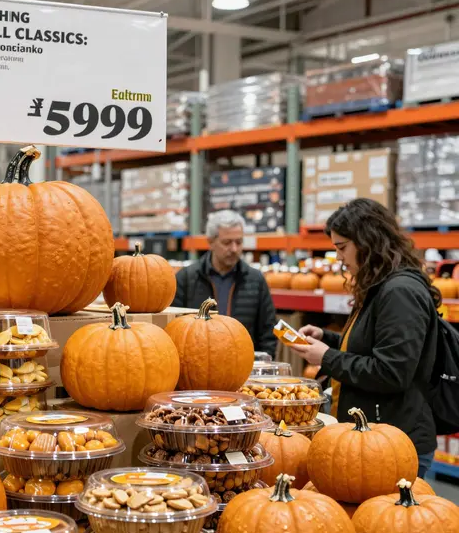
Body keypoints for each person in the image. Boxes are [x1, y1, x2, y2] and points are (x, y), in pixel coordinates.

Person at [292, 198, 440, 477]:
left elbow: (392, 371)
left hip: (395, 443)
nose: (338, 258)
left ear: (367, 243)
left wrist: (326, 357)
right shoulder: (380, 286)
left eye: (342, 248)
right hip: (374, 437)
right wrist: (329, 339)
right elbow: (372, 348)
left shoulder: (400, 293)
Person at [173, 210, 277, 358]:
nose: (234, 249)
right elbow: (174, 327)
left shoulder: (256, 280)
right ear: (211, 242)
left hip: (242, 365)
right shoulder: (186, 279)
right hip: (197, 363)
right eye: (227, 242)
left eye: (239, 242)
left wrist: (263, 365)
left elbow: (268, 331)